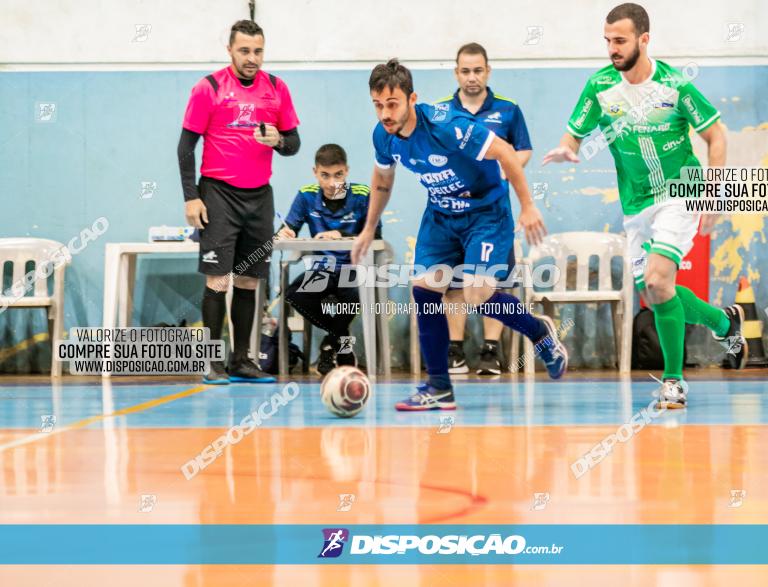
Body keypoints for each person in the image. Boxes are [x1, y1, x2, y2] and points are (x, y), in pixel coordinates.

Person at [543, 3, 747, 409]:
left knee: (657, 281)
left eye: (620, 41)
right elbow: (573, 136)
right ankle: (725, 323)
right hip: (636, 204)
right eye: (608, 41)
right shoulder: (600, 87)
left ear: (644, 39)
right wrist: (567, 150)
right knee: (656, 293)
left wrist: (715, 193)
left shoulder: (674, 86)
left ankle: (674, 382)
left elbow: (717, 137)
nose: (612, 49)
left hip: (681, 192)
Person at [352, 59, 568, 412]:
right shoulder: (383, 137)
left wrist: (527, 206)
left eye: (392, 104)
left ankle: (539, 332)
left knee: (477, 293)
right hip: (440, 216)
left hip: (485, 212)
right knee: (423, 288)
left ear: (411, 98)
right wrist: (367, 229)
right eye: (378, 105)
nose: (385, 114)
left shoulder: (448, 126)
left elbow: (506, 154)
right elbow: (381, 182)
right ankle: (439, 387)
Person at [178, 19, 301, 385]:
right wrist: (191, 198)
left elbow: (294, 144)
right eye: (245, 50)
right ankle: (212, 362)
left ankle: (242, 360)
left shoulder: (277, 89)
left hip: (259, 197)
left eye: (258, 51)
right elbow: (186, 147)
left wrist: (278, 140)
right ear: (230, 50)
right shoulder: (209, 88)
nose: (252, 58)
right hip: (218, 195)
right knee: (218, 281)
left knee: (249, 281)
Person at [436, 42, 533, 376]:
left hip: (494, 213)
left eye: (478, 70)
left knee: (494, 282)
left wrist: (504, 167)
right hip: (452, 213)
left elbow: (523, 151)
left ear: (488, 71)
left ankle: (491, 351)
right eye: (465, 71)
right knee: (455, 284)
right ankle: (455, 350)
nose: (472, 77)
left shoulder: (508, 110)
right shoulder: (441, 113)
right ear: (456, 73)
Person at [278, 144, 380, 375]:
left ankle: (329, 345)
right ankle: (342, 342)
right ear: (315, 172)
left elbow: (376, 235)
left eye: (338, 175)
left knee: (353, 295)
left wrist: (342, 235)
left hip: (354, 268)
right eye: (325, 175)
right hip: (322, 270)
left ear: (347, 171)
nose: (332, 183)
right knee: (295, 294)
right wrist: (285, 232)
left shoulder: (363, 194)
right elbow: (287, 228)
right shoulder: (306, 195)